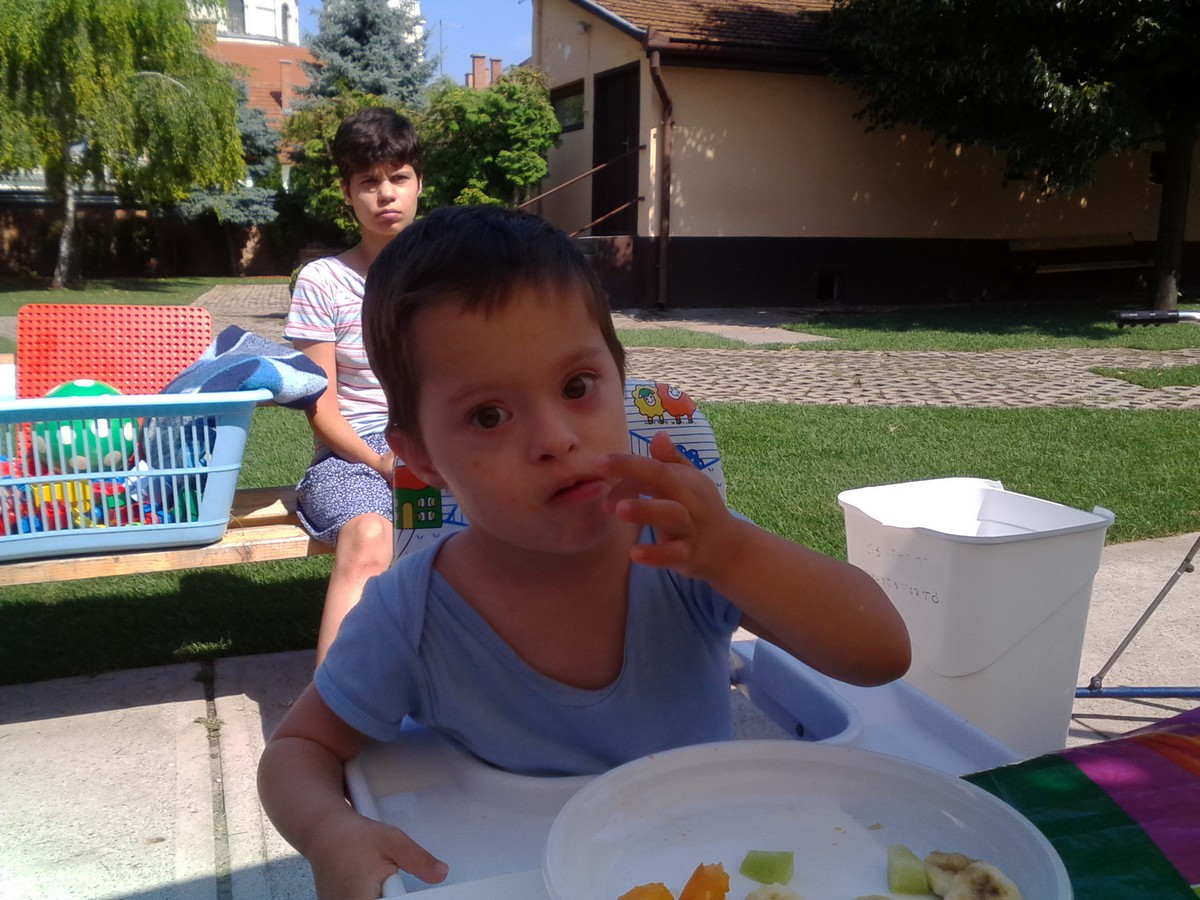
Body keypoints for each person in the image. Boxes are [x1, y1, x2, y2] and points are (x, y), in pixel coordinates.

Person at [259, 205, 911, 899]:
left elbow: (880, 654)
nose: (554, 438)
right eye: (488, 415)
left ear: (619, 380)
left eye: (577, 386)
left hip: (699, 864)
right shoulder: (410, 617)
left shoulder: (688, 549)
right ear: (420, 457)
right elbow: (299, 749)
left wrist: (735, 554)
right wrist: (329, 831)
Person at [284, 107, 423, 664]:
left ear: (418, 184)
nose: (385, 194)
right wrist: (386, 463)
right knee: (370, 535)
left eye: (399, 177)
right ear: (347, 192)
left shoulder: (448, 278)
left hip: (440, 445)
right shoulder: (324, 281)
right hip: (353, 458)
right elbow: (320, 411)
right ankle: (331, 707)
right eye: (368, 181)